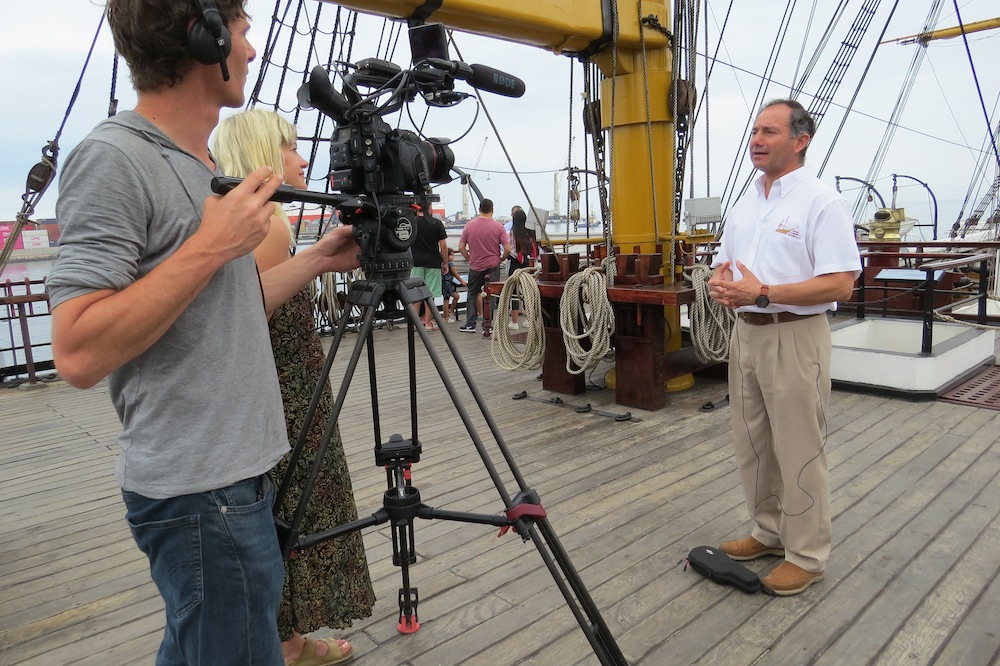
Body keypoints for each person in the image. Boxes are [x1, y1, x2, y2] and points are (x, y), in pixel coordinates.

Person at [45, 2, 360, 663]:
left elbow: (227, 307)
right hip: (200, 493)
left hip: (238, 479)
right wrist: (212, 246)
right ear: (203, 36)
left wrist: (319, 258)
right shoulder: (114, 158)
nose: (250, 52)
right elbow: (76, 350)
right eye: (242, 34)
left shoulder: (197, 165)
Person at [213, 109, 374, 665]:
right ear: (264, 153)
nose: (303, 159)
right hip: (287, 394)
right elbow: (246, 310)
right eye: (292, 148)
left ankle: (290, 639)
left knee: (285, 513)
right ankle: (286, 644)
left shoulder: (240, 221)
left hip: (278, 390)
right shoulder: (272, 224)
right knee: (295, 514)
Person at [708, 99, 860, 597]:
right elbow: (726, 264)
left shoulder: (822, 202)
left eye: (769, 131)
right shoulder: (746, 203)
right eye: (754, 130)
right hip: (747, 333)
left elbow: (841, 284)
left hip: (795, 335)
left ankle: (807, 554)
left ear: (800, 141)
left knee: (798, 447)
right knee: (751, 441)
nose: (756, 139)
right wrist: (720, 282)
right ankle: (768, 531)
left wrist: (765, 293)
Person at [458, 198, 510, 333]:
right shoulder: (498, 227)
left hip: (475, 265)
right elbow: (508, 249)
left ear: (479, 209)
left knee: (472, 293)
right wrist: (501, 258)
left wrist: (469, 258)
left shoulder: (469, 225)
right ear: (492, 210)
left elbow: (461, 247)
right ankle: (488, 324)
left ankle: (470, 323)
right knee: (490, 294)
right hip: (493, 264)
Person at [410, 203, 448, 330]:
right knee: (429, 294)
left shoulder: (412, 223)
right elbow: (443, 246)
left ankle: (415, 323)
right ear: (430, 208)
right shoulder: (436, 223)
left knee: (416, 293)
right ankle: (428, 323)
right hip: (432, 262)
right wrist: (445, 263)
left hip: (415, 261)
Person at [505, 208, 538, 329]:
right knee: (527, 291)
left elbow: (509, 250)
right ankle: (530, 319)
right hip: (528, 264)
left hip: (515, 264)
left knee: (514, 292)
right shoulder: (530, 232)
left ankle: (514, 322)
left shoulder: (511, 233)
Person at [441, 248, 467, 323]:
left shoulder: (442, 263)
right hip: (447, 282)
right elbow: (455, 273)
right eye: (451, 255)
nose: (453, 257)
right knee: (447, 299)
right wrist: (461, 281)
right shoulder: (449, 264)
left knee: (448, 298)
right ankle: (446, 316)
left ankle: (450, 312)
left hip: (445, 282)